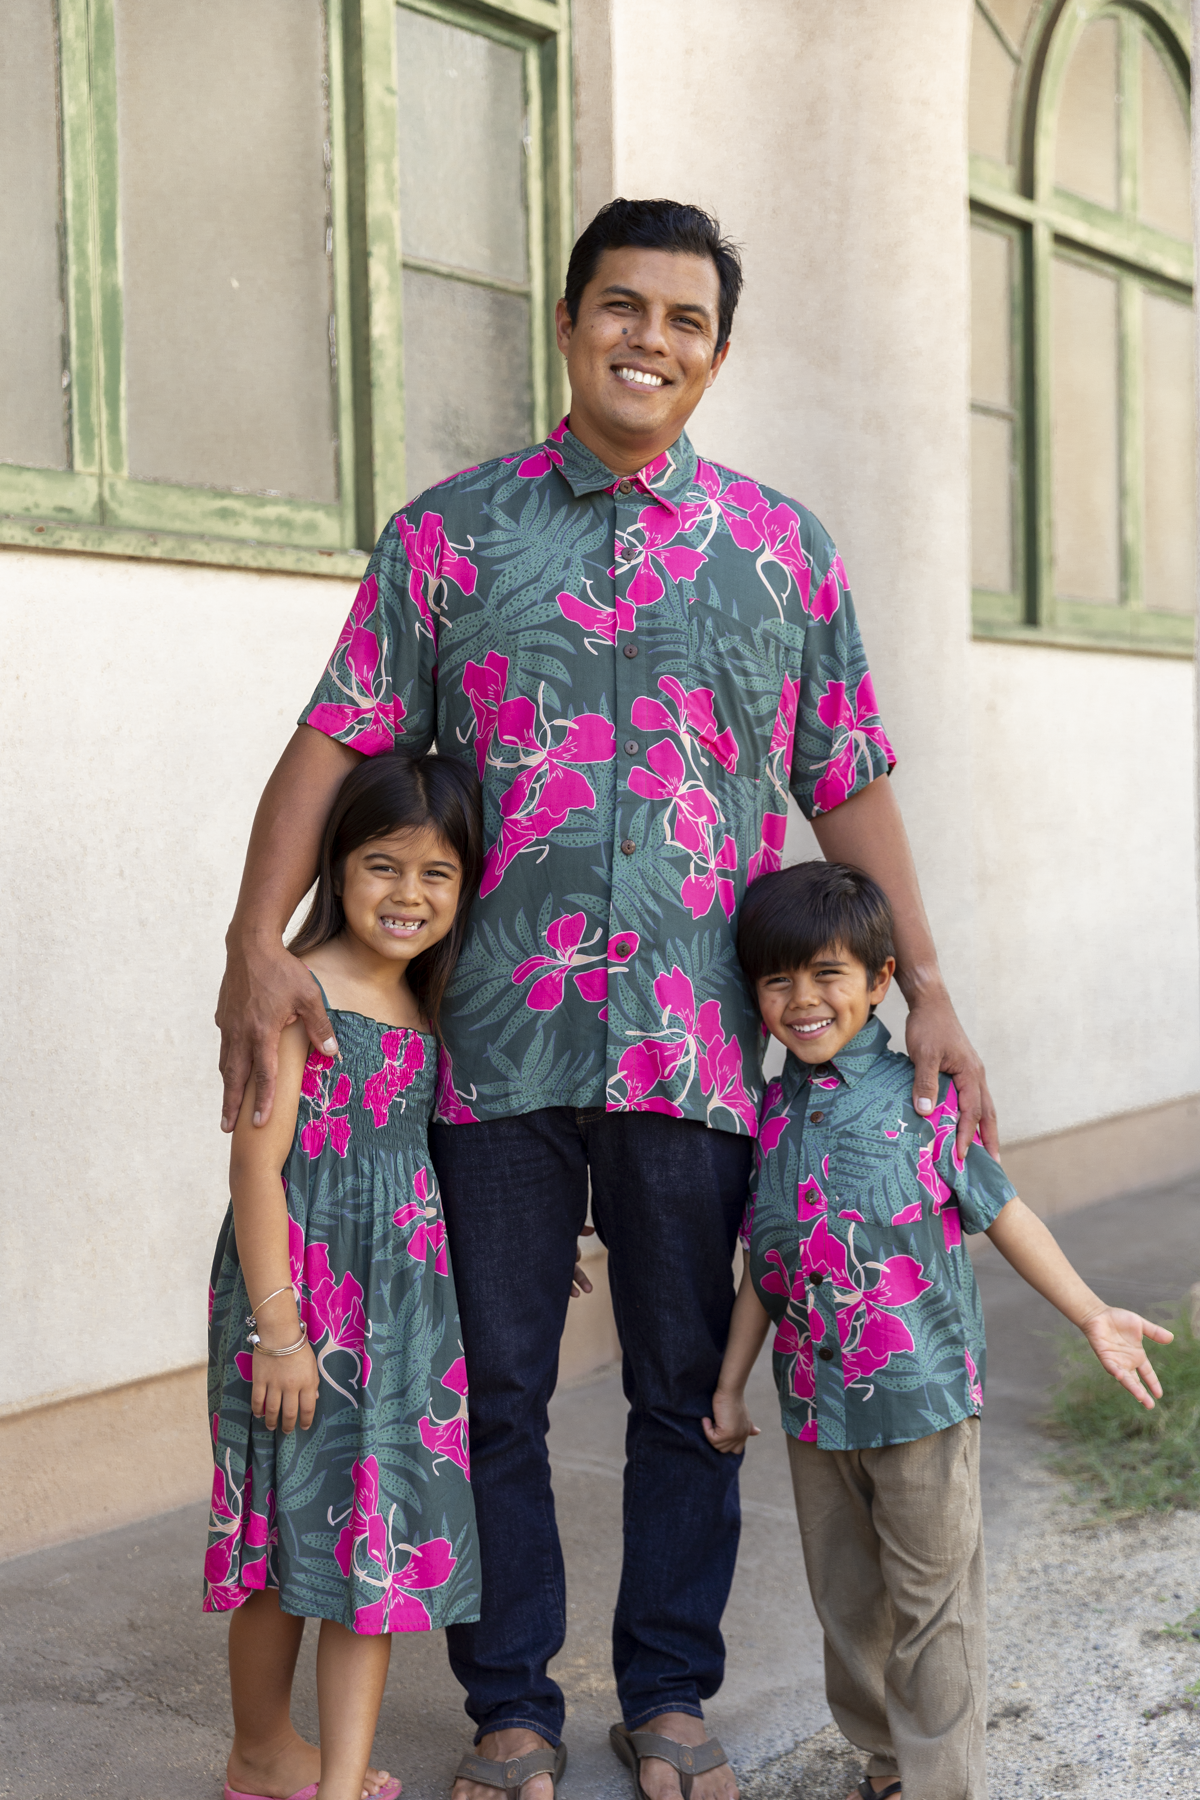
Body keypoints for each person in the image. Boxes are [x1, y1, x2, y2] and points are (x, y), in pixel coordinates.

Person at [215, 197, 999, 1800]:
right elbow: (337, 733)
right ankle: (509, 1702)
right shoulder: (447, 536)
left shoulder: (784, 553)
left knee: (682, 1392)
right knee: (490, 1388)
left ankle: (668, 1693)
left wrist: (928, 988)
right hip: (485, 1049)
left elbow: (847, 780)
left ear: (718, 354)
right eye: (622, 307)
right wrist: (252, 939)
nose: (651, 339)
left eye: (685, 320)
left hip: (697, 1052)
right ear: (569, 323)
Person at [704, 861, 1173, 1800]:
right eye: (778, 980)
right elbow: (765, 1258)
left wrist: (1091, 1312)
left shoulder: (924, 1099)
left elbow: (1004, 1212)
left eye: (828, 974)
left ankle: (940, 1785)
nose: (803, 1000)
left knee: (934, 1607)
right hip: (813, 1408)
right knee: (846, 1603)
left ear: (882, 980)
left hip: (922, 1398)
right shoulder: (771, 1111)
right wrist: (729, 1382)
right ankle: (886, 1763)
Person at [206, 752, 485, 1800]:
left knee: (380, 1544)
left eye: (436, 873)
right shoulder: (296, 992)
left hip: (402, 1315)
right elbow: (255, 1169)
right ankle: (261, 1752)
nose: (409, 895)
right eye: (383, 865)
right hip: (296, 1306)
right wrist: (280, 1333)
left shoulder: (430, 1006)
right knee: (286, 1539)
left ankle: (339, 1781)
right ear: (336, 865)